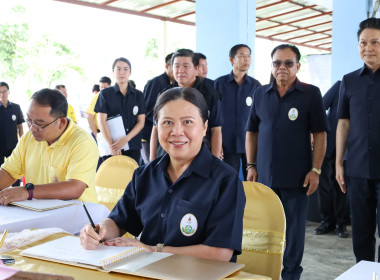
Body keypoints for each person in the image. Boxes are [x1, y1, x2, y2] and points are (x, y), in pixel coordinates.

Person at [80, 87, 245, 263]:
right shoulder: (144, 175)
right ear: (156, 127)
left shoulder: (225, 180)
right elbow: (119, 221)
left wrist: (153, 250)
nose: (177, 131)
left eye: (187, 122)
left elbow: (220, 253)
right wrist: (100, 230)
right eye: (167, 122)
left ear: (204, 127)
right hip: (146, 271)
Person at [245, 44, 328, 280]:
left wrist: (315, 169)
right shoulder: (260, 93)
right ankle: (265, 273)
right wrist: (251, 165)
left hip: (297, 176)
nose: (282, 67)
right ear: (271, 66)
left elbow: (321, 134)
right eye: (277, 63)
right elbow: (251, 132)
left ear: (298, 66)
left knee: (293, 231)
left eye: (288, 63)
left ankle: (291, 274)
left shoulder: (311, 94)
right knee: (264, 228)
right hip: (264, 178)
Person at [0, 88, 99, 205]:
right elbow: (9, 172)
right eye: (29, 120)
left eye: (39, 124)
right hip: (38, 210)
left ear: (61, 123)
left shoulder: (82, 142)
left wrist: (28, 191)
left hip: (77, 213)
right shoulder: (28, 138)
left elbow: (75, 187)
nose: (32, 128)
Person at [336, 18, 380, 263]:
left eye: (375, 42)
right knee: (361, 233)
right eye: (363, 43)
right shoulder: (349, 80)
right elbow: (343, 122)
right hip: (358, 169)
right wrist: (340, 163)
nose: (368, 48)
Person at [150, 49, 222, 160]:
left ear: (196, 69)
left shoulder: (210, 94)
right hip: (166, 155)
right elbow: (155, 128)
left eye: (186, 66)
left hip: (200, 155)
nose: (180, 70)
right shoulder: (164, 94)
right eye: (176, 66)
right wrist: (152, 158)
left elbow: (216, 130)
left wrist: (214, 160)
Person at [215, 44, 261, 179]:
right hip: (227, 144)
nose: (246, 60)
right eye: (242, 56)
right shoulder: (219, 84)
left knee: (253, 180)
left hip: (250, 143)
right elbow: (213, 114)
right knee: (229, 180)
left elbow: (260, 115)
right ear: (231, 60)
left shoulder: (256, 85)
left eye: (248, 56)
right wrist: (218, 143)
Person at [314, 81, 350, 238]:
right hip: (328, 146)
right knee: (324, 188)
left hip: (349, 148)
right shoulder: (340, 85)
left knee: (342, 188)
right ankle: (327, 221)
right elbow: (320, 106)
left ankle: (341, 224)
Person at [95, 57, 146, 164]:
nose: (122, 72)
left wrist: (126, 139)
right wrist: (112, 146)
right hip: (110, 146)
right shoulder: (105, 94)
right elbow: (101, 121)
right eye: (118, 69)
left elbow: (141, 122)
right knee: (111, 178)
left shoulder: (138, 95)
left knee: (131, 177)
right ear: (113, 72)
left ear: (130, 72)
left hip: (132, 145)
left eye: (125, 69)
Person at [141, 53, 174, 164]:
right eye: (176, 66)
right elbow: (149, 110)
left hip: (163, 135)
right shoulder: (156, 82)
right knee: (152, 166)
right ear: (167, 66)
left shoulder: (173, 84)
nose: (179, 71)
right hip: (149, 135)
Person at [0, 82, 24, 167]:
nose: (2, 94)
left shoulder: (16, 107)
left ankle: (16, 181)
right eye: (0, 92)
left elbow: (20, 127)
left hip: (13, 145)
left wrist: (22, 142)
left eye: (4, 91)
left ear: (8, 92)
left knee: (15, 168)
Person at [86, 76, 112, 140]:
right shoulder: (96, 98)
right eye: (101, 87)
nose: (102, 90)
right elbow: (89, 117)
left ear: (110, 86)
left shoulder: (115, 96)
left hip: (113, 131)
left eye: (105, 87)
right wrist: (96, 134)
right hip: (100, 132)